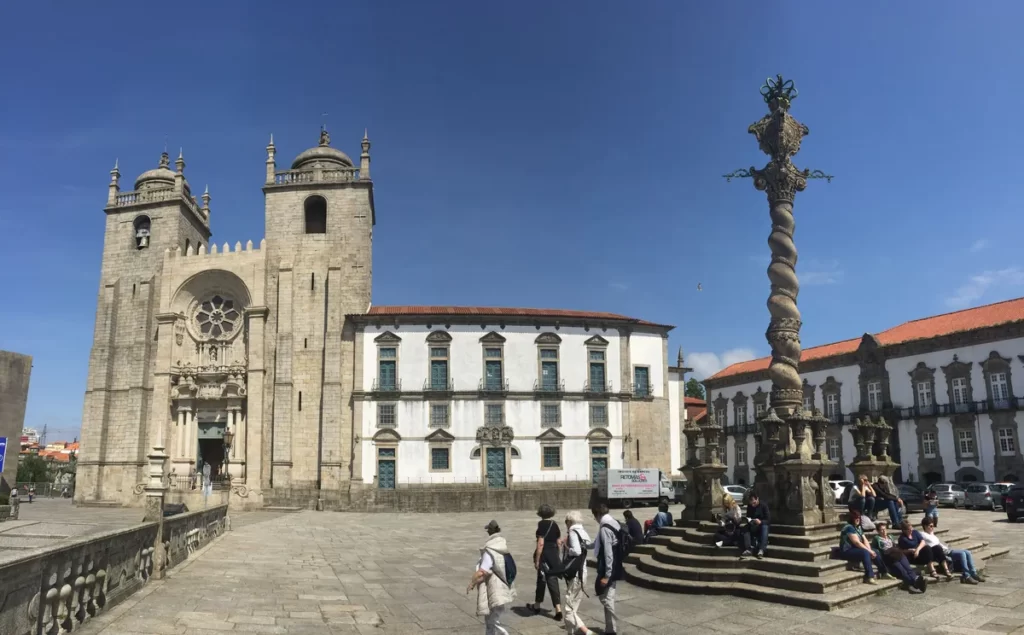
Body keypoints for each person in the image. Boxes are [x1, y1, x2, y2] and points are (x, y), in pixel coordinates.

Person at [467, 520, 516, 635]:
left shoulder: (490, 551)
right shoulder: (502, 546)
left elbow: (482, 572)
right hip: (502, 587)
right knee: (491, 621)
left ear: (489, 532)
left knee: (493, 621)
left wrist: (472, 583)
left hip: (495, 589)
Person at [548, 511, 592, 635]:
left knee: (568, 609)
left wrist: (567, 548)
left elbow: (576, 551)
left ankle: (586, 632)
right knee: (574, 606)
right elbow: (588, 545)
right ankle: (570, 632)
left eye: (566, 522)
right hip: (583, 571)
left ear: (569, 521)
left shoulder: (573, 532)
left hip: (575, 574)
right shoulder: (582, 531)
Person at [920, 517, 984, 584]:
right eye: (931, 526)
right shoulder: (923, 534)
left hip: (946, 550)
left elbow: (938, 543)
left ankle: (973, 573)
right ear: (925, 526)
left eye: (933, 526)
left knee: (968, 552)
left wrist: (945, 546)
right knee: (962, 554)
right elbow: (934, 544)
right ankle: (966, 576)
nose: (932, 527)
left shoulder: (931, 534)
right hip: (942, 553)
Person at [526, 504, 562, 620]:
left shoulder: (541, 524)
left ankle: (537, 606)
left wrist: (537, 560)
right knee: (553, 581)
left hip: (545, 556)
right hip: (554, 556)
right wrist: (557, 556)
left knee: (541, 580)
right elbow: (558, 542)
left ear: (540, 513)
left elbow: (540, 543)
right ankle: (558, 609)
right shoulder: (555, 524)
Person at [871, 521, 927, 592]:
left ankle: (916, 580)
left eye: (885, 529)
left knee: (908, 568)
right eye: (882, 530)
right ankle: (915, 582)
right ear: (878, 531)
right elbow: (875, 550)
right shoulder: (877, 538)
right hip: (890, 557)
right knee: (903, 571)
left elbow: (896, 546)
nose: (884, 531)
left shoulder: (890, 537)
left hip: (898, 554)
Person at [591, 503, 621, 635]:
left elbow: (608, 553)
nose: (595, 519)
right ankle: (610, 629)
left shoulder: (604, 528)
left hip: (608, 567)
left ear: (598, 514)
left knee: (605, 597)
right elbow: (596, 542)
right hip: (616, 564)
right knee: (608, 596)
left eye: (594, 516)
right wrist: (585, 544)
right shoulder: (613, 522)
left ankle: (614, 625)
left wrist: (607, 575)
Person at [838, 509, 877, 584]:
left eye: (859, 518)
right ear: (851, 519)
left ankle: (883, 571)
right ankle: (869, 577)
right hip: (846, 551)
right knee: (865, 553)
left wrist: (871, 551)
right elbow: (857, 543)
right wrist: (869, 551)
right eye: (856, 518)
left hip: (855, 550)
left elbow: (865, 540)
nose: (857, 519)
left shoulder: (858, 528)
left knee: (876, 551)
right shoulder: (849, 527)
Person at [742, 492, 770, 559]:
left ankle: (761, 549)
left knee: (765, 527)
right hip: (753, 525)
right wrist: (749, 520)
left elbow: (768, 520)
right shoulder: (750, 506)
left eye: (754, 503)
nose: (752, 505)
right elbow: (748, 516)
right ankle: (749, 549)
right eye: (751, 504)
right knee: (745, 528)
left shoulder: (764, 505)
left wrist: (760, 522)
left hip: (761, 525)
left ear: (757, 499)